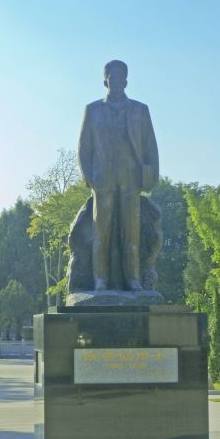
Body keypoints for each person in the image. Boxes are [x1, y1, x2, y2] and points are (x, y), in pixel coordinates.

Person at [77, 60, 159, 291]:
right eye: (112, 78)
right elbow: (84, 147)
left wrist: (151, 176)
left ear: (126, 81)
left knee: (130, 233)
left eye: (120, 78)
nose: (116, 82)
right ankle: (100, 280)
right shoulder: (93, 110)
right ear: (106, 81)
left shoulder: (140, 110)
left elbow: (150, 146)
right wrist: (90, 179)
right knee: (101, 233)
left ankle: (133, 280)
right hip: (102, 179)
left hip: (131, 178)